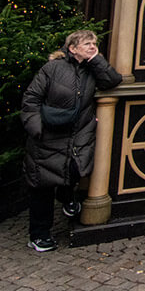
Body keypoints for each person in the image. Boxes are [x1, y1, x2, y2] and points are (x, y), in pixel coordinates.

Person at [21, 30, 123, 252]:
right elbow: (31, 98)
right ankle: (39, 235)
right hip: (48, 135)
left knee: (74, 169)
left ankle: (67, 197)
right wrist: (36, 128)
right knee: (42, 185)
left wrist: (96, 60)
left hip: (78, 135)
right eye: (87, 44)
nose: (92, 46)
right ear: (72, 48)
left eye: (94, 43)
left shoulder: (92, 69)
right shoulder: (53, 69)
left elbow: (112, 80)